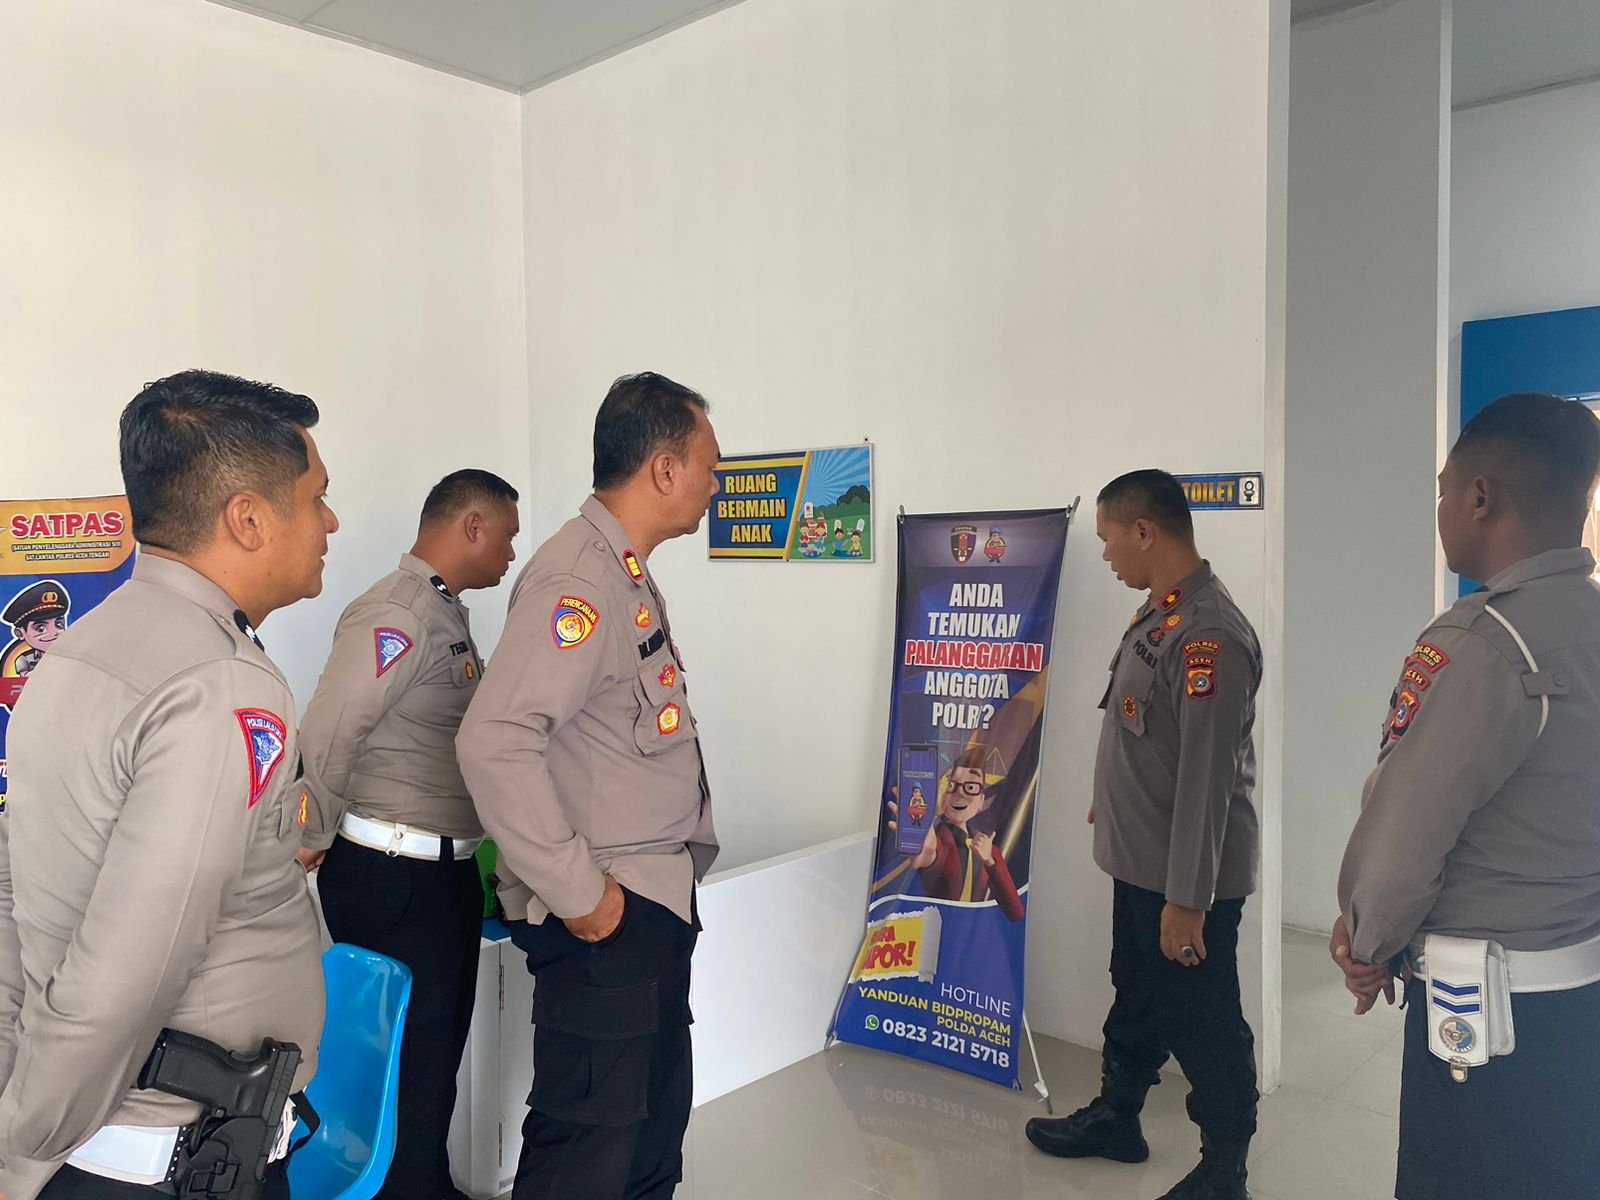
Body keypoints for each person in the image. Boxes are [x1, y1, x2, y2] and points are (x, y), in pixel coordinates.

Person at [0, 369, 337, 1200]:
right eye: (316, 498)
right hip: (169, 1161)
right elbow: (133, 965)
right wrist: (20, 1152)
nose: (330, 522)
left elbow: (16, 892)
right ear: (248, 519)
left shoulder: (81, 649)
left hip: (102, 1146)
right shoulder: (220, 681)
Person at [1330, 393, 1600, 1200]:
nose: (1442, 507)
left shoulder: (1484, 642)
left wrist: (1368, 942)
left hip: (1486, 1020)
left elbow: (1404, 835)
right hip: (1580, 993)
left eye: (1444, 489)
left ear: (1481, 495)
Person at [457, 372, 720, 1200]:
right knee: (587, 1153)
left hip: (650, 904)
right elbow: (494, 740)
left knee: (648, 1137)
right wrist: (585, 898)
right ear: (665, 469)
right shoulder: (579, 580)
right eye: (710, 467)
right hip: (610, 914)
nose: (715, 485)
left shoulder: (622, 573)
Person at [1026, 469, 1262, 1200]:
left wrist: (1188, 901)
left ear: (1143, 531)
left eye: (1108, 540)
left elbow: (1207, 782)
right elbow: (1147, 733)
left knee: (1204, 1021)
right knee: (1135, 994)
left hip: (1185, 878)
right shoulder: (1162, 614)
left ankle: (1224, 1170)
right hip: (1143, 860)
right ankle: (1118, 1118)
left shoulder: (1209, 637)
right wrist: (1114, 799)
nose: (1105, 555)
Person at [296, 469, 520, 1200]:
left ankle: (426, 1184)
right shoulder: (398, 614)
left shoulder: (442, 611)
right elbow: (332, 727)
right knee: (404, 1063)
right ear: (472, 527)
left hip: (439, 873)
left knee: (434, 1058)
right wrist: (311, 829)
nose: (511, 554)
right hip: (394, 876)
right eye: (507, 536)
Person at [889, 746, 1024, 920]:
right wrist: (920, 845)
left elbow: (1016, 912)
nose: (960, 793)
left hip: (974, 934)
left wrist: (990, 862)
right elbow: (930, 854)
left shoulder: (988, 848)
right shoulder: (940, 837)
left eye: (971, 787)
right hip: (936, 929)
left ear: (981, 800)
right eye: (952, 785)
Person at [0, 583, 69, 677]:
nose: (55, 632)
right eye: (40, 628)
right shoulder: (24, 659)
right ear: (20, 633)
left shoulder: (68, 656)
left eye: (59, 625)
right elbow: (25, 680)